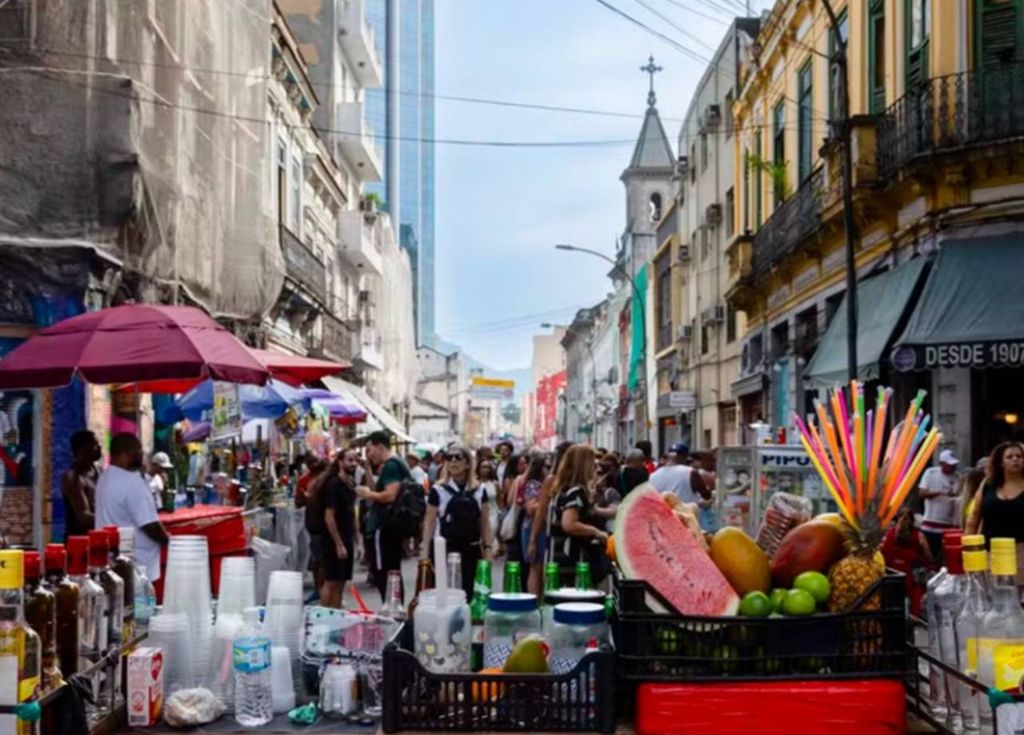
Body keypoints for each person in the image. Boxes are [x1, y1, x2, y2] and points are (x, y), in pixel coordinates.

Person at [420, 446, 494, 599]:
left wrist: (488, 549)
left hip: (471, 550)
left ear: (468, 463)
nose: (453, 461)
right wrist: (425, 552)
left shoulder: (480, 490)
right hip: (444, 549)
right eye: (449, 457)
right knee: (445, 593)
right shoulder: (438, 489)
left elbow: (485, 523)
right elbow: (429, 523)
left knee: (470, 592)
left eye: (458, 457)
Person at [95, 433, 170, 582]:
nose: (141, 455)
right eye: (137, 451)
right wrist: (168, 541)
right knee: (136, 604)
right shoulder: (133, 484)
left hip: (112, 559)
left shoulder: (105, 477)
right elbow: (150, 525)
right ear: (124, 453)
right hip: (136, 567)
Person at [355, 431, 413, 603]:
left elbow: (389, 495)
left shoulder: (391, 466)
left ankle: (392, 609)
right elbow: (380, 490)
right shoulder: (390, 465)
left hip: (384, 528)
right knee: (389, 572)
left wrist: (367, 494)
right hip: (387, 527)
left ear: (380, 446)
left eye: (369, 449)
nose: (368, 454)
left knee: (385, 573)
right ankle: (393, 608)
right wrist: (367, 469)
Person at [549, 444, 610, 586]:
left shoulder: (563, 488)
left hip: (558, 556)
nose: (597, 468)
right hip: (572, 557)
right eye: (593, 463)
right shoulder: (576, 492)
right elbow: (569, 524)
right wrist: (596, 532)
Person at [966, 443, 1024, 555]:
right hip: (990, 551)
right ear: (1001, 462)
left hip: (1021, 552)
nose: (1015, 459)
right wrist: (969, 550)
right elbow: (973, 519)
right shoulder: (988, 485)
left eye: (1019, 456)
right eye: (1009, 457)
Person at [320, 450, 358, 608]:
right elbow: (329, 516)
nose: (354, 463)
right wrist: (338, 543)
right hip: (333, 540)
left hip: (347, 538)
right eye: (350, 460)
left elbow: (352, 513)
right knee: (331, 581)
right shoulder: (334, 485)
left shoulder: (350, 484)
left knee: (341, 581)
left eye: (355, 460)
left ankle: (335, 615)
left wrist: (357, 539)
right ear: (341, 462)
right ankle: (323, 616)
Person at [881, 506, 935, 617]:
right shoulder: (919, 536)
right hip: (912, 578)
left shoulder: (888, 535)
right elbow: (929, 557)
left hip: (892, 576)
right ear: (913, 520)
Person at [917, 449, 962, 558]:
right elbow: (921, 494)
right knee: (929, 555)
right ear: (941, 463)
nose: (953, 467)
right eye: (949, 464)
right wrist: (939, 493)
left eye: (954, 464)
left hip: (950, 524)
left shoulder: (958, 477)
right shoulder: (931, 473)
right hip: (931, 523)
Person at [519, 453, 550, 595]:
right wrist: (545, 504)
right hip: (533, 527)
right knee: (535, 566)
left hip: (542, 528)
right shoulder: (533, 484)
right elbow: (530, 508)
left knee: (541, 567)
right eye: (547, 467)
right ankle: (535, 600)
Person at [62, 431, 101, 539]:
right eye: (95, 444)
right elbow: (83, 516)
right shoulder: (73, 477)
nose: (99, 447)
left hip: (98, 539)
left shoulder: (99, 471)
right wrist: (111, 519)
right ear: (82, 449)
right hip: (79, 543)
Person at [303, 459, 330, 595]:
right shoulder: (320, 485)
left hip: (315, 527)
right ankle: (320, 588)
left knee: (318, 559)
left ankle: (318, 588)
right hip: (319, 528)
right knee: (320, 560)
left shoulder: (314, 484)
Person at [478, 461, 500, 555]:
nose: (485, 470)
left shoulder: (495, 484)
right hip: (479, 513)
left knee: (489, 537)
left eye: (487, 467)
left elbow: (499, 500)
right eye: (483, 467)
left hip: (493, 513)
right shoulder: (475, 483)